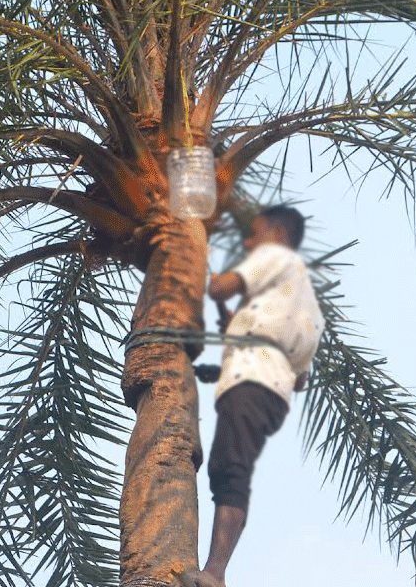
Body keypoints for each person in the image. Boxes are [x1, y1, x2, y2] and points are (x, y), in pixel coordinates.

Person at [180, 205, 326, 587]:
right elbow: (300, 380)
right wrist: (238, 334)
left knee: (230, 469)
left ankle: (215, 573)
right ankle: (215, 570)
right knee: (230, 467)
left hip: (253, 381)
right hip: (272, 391)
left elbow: (220, 286)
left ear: (277, 234)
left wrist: (203, 267)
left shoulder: (274, 255)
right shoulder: (306, 300)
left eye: (255, 232)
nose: (248, 241)